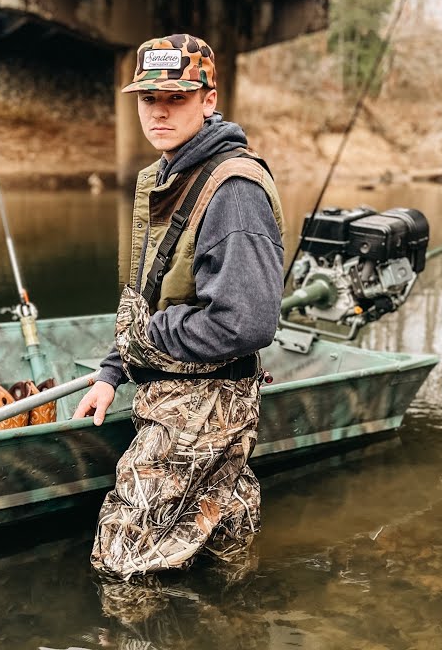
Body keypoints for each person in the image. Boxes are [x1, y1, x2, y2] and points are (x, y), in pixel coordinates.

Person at [74, 33, 286, 579]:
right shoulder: (170, 176)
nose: (159, 112)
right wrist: (112, 371)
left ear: (209, 100)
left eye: (177, 98)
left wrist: (150, 337)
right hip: (181, 395)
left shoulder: (232, 190)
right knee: (222, 546)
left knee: (122, 566)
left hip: (205, 404)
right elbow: (150, 289)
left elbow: (248, 320)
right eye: (149, 99)